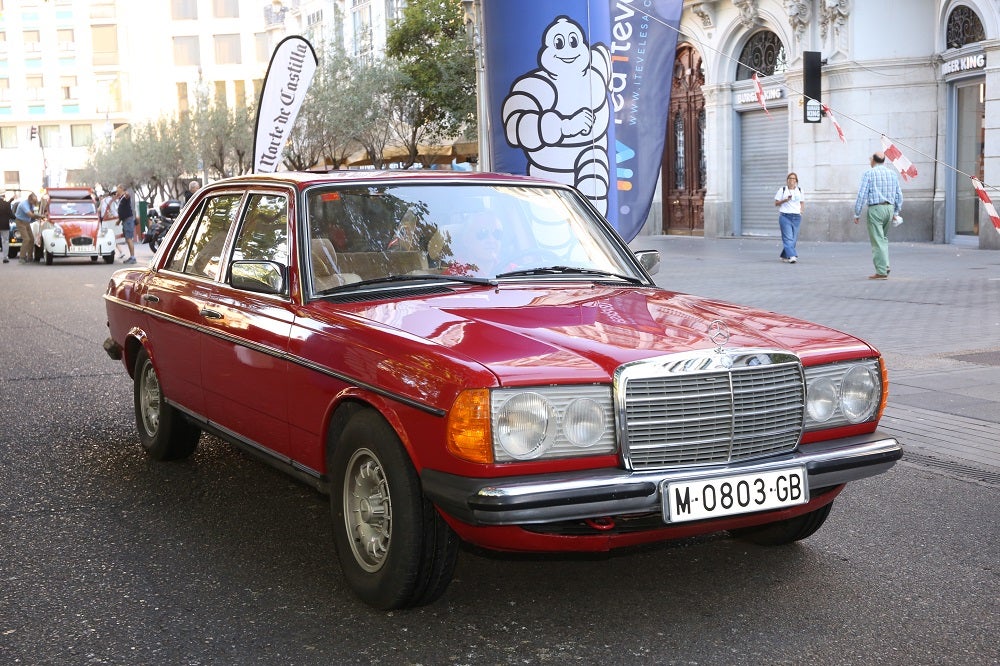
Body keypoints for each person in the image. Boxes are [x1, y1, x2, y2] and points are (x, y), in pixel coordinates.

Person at [853, 152, 902, 279]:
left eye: (870, 159)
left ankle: (881, 271)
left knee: (877, 240)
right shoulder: (892, 174)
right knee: (883, 239)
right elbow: (899, 195)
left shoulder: (869, 174)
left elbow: (861, 194)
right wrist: (896, 212)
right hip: (889, 208)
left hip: (876, 209)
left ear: (873, 161)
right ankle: (885, 265)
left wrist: (857, 213)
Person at [774, 172, 804, 263]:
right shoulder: (782, 190)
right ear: (787, 180)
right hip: (785, 216)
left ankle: (784, 255)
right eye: (790, 178)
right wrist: (785, 200)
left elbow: (802, 202)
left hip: (796, 217)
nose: (792, 180)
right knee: (788, 238)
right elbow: (776, 203)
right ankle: (792, 256)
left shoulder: (800, 190)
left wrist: (801, 210)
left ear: (796, 181)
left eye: (794, 179)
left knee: (793, 240)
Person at [14, 192, 45, 264]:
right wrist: (40, 216)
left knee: (31, 239)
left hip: (26, 222)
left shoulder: (30, 204)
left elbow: (34, 212)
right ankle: (22, 257)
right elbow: (30, 215)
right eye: (33, 202)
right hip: (20, 222)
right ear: (30, 200)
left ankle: (30, 257)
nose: (34, 203)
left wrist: (39, 215)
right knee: (26, 239)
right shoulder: (24, 204)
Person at [116, 184, 137, 264]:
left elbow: (127, 196)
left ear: (121, 188)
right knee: (127, 239)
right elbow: (122, 210)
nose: (116, 190)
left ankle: (133, 257)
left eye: (117, 188)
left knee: (129, 239)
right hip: (124, 220)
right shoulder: (121, 198)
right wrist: (119, 220)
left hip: (128, 220)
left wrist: (126, 194)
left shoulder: (125, 196)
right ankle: (131, 257)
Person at [0, 194, 14, 264]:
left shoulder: (7, 204)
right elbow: (11, 215)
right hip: (4, 225)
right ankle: (5, 257)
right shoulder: (6, 204)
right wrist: (16, 218)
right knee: (5, 240)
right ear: (3, 198)